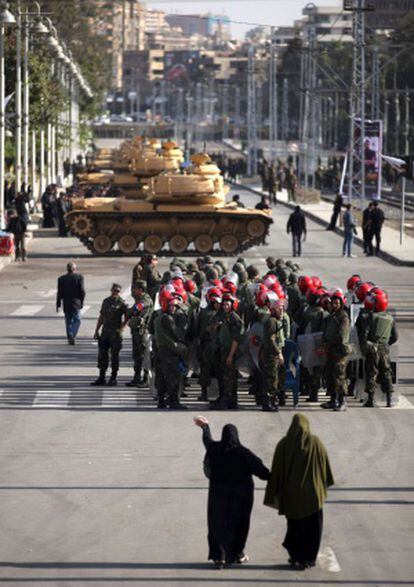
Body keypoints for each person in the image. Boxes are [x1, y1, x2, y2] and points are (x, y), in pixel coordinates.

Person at [195, 416, 270, 569]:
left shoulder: (215, 449)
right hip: (240, 498)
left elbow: (207, 440)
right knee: (239, 525)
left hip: (218, 495)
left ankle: (219, 557)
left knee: (217, 524)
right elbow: (262, 472)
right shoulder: (243, 453)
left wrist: (205, 427)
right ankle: (237, 554)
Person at [264, 414, 334, 571]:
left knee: (295, 528)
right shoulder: (316, 443)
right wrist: (324, 484)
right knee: (313, 530)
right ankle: (308, 559)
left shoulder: (283, 445)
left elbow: (277, 471)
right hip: (313, 497)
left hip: (292, 497)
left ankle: (296, 557)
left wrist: (274, 490)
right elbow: (325, 465)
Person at [91, 283, 128, 386]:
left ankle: (113, 377)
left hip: (115, 332)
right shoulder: (106, 301)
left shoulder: (122, 303)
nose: (115, 293)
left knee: (115, 356)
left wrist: (122, 328)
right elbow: (102, 316)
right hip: (105, 331)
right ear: (111, 290)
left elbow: (127, 317)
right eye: (114, 290)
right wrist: (96, 330)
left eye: (117, 291)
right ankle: (101, 377)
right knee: (102, 354)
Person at [322, 292, 351, 411]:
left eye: (337, 303)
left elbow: (341, 336)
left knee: (339, 376)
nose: (334, 305)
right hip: (331, 351)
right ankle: (333, 400)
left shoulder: (343, 317)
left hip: (339, 351)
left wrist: (329, 342)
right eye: (332, 303)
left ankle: (342, 401)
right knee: (329, 375)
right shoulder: (331, 316)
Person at [126, 281, 153, 387]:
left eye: (135, 288)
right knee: (136, 355)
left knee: (144, 355)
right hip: (137, 331)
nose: (133, 291)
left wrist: (129, 311)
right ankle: (136, 378)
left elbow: (134, 310)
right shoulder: (139, 300)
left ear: (141, 289)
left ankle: (146, 379)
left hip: (142, 332)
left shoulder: (145, 300)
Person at [56, 262, 86, 344]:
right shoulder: (79, 277)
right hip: (76, 303)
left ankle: (70, 335)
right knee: (77, 320)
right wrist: (82, 301)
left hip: (66, 303)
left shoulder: (61, 278)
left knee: (68, 320)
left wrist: (58, 304)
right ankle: (72, 334)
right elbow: (82, 291)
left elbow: (59, 293)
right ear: (74, 269)